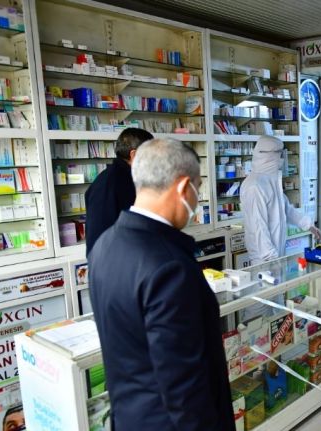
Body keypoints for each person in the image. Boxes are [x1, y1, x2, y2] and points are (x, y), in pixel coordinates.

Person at [89, 138, 235, 431]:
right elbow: (184, 386)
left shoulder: (104, 245)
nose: (196, 199)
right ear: (184, 188)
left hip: (129, 418)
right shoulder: (169, 266)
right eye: (197, 188)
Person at [240, 135, 321, 265]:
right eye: (279, 154)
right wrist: (271, 257)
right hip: (264, 258)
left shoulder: (269, 181)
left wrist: (308, 224)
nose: (281, 159)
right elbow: (258, 226)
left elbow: (286, 209)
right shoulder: (254, 186)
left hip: (276, 253)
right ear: (269, 156)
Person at [85, 127, 154, 255]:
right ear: (134, 155)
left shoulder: (129, 178)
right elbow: (101, 238)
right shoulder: (110, 183)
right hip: (116, 261)